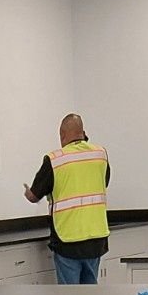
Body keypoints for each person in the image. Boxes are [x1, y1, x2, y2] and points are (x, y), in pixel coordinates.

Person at [25, 114, 110, 285]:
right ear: (83, 132)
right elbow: (104, 182)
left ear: (62, 134)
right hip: (96, 240)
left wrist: (28, 193)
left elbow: (34, 195)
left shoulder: (55, 160)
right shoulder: (100, 155)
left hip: (67, 241)